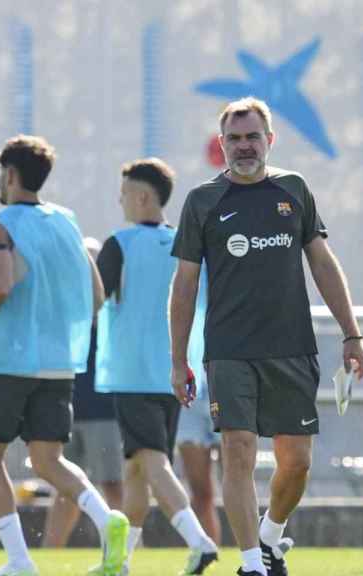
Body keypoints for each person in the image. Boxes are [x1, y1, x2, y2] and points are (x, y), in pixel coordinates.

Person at [170, 97, 363, 576]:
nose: (243, 146)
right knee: (237, 450)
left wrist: (352, 334)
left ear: (269, 140)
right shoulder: (202, 201)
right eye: (234, 139)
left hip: (292, 348)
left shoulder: (294, 189)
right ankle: (250, 566)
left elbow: (321, 262)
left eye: (252, 137)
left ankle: (270, 537)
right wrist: (179, 360)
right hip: (230, 351)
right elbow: (184, 285)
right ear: (222, 145)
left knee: (295, 462)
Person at [0, 135, 129, 576]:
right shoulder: (67, 221)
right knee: (47, 459)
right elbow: (95, 295)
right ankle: (107, 518)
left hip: (9, 361)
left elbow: (0, 285)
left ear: (10, 175)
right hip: (60, 364)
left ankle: (19, 561)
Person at [95, 158, 218, 575]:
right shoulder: (187, 243)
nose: (121, 200)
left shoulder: (120, 242)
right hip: (174, 372)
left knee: (150, 461)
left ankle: (199, 541)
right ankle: (120, 563)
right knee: (136, 469)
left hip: (131, 373)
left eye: (125, 192)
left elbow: (93, 300)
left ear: (143, 196)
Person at [42, 238, 124, 549]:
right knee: (66, 488)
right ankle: (51, 552)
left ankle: (125, 550)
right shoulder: (62, 307)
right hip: (68, 407)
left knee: (113, 484)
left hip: (105, 410)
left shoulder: (110, 307)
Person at [176, 276, 223, 546]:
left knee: (238, 479)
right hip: (190, 390)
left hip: (227, 382)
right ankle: (210, 555)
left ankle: (252, 557)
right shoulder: (177, 256)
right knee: (200, 491)